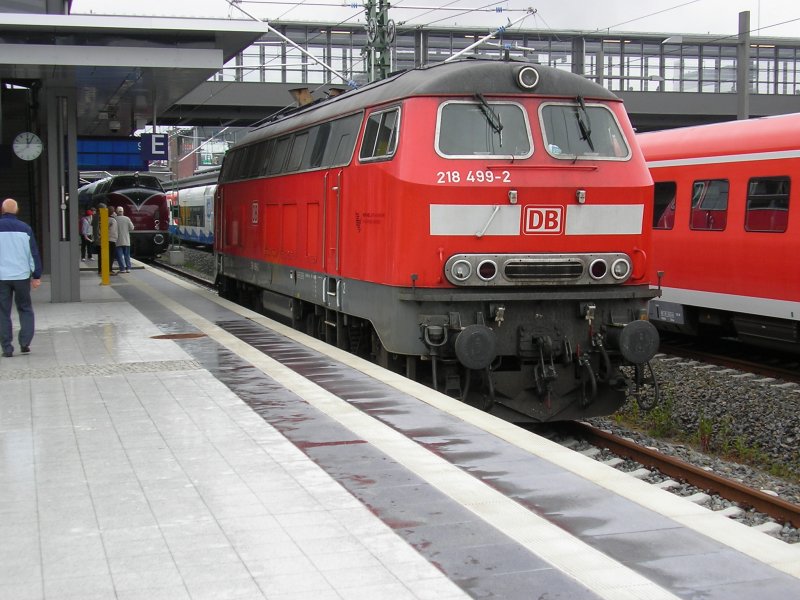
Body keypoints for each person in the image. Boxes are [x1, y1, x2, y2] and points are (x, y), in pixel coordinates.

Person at [0, 198, 42, 358]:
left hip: (2, 277)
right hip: (21, 276)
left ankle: (7, 348)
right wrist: (36, 275)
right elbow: (33, 253)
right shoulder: (25, 229)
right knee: (25, 308)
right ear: (17, 210)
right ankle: (25, 343)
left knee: (3, 311)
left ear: (2, 210)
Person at [96, 204, 119, 275]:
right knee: (110, 256)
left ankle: (101, 270)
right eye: (113, 211)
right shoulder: (112, 220)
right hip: (110, 240)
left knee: (101, 256)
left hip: (102, 240)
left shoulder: (102, 218)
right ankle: (109, 270)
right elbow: (112, 231)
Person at [114, 206, 135, 273]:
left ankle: (122, 269)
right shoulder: (127, 219)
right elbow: (132, 228)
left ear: (117, 212)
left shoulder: (115, 219)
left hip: (118, 241)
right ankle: (128, 268)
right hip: (126, 240)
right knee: (127, 255)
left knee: (119, 256)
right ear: (123, 211)